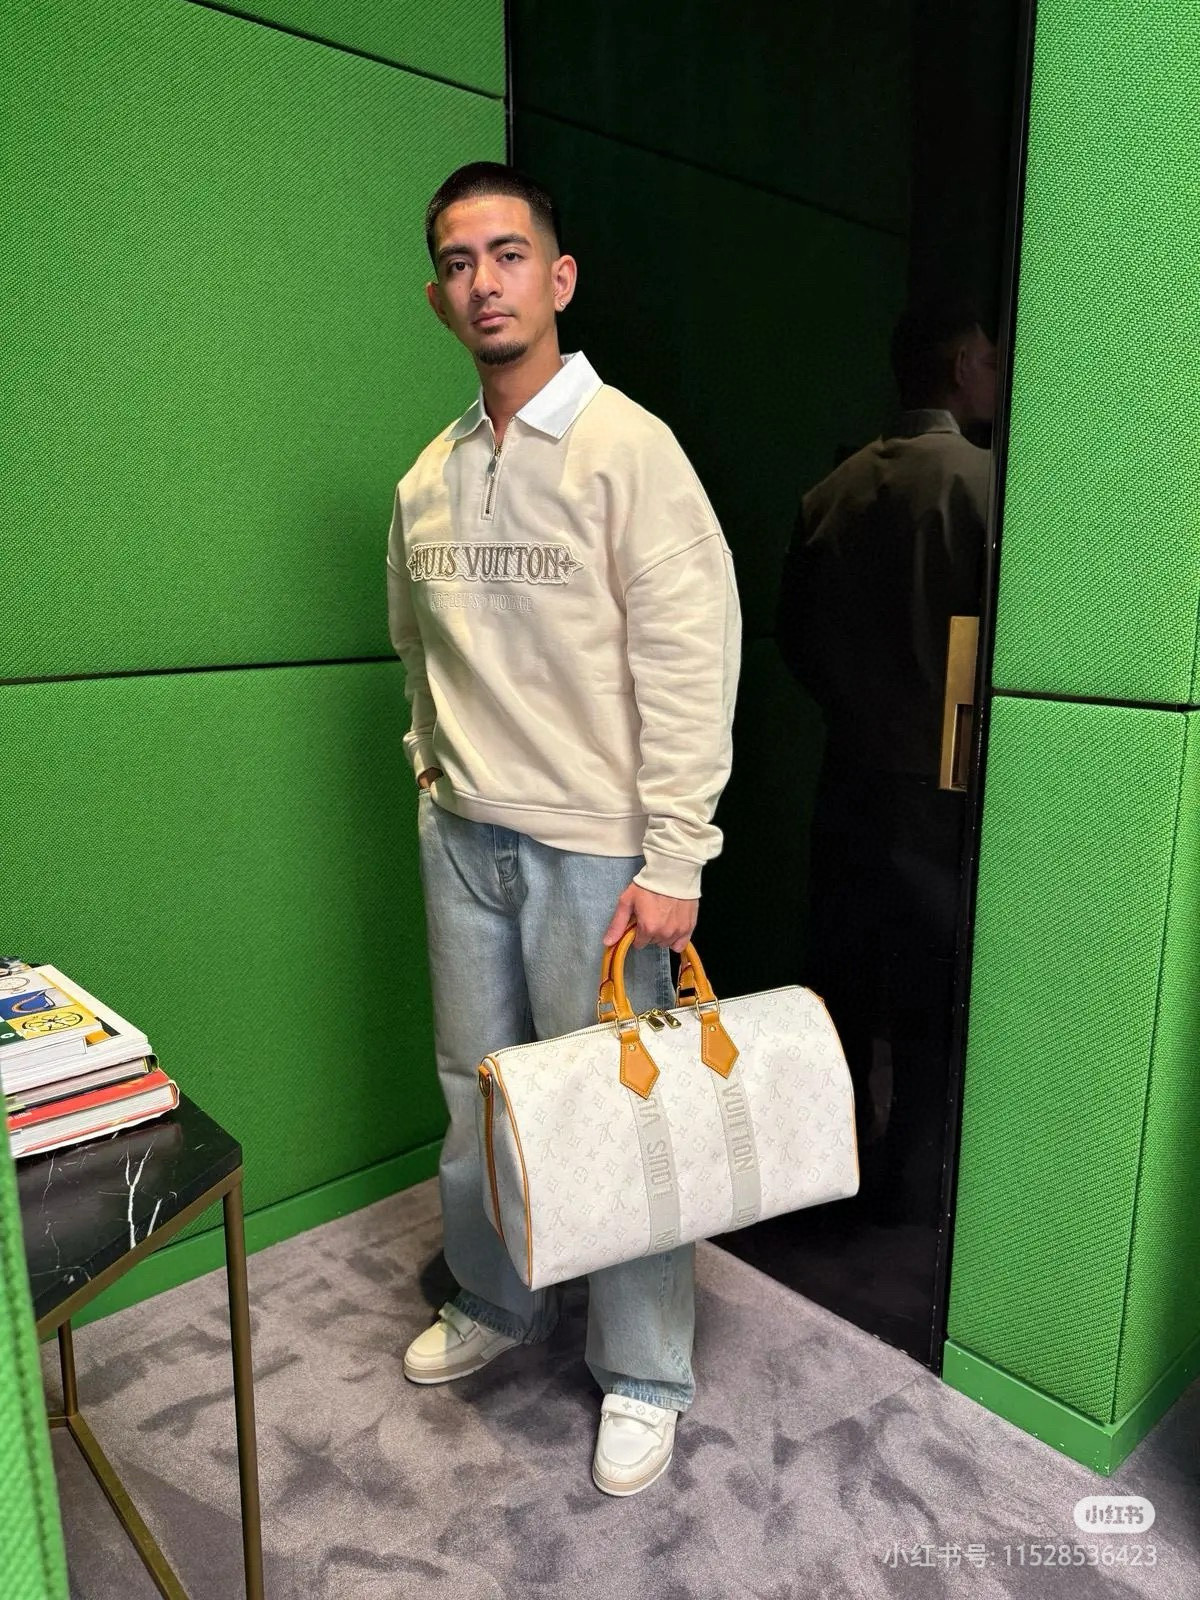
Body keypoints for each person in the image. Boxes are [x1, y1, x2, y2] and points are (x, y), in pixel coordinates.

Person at [386, 163, 741, 1496]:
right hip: (464, 838)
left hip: (598, 853)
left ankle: (644, 1368)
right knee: (476, 1095)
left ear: (558, 277)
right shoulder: (427, 477)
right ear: (439, 298)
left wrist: (676, 855)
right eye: (458, 262)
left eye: (508, 254)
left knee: (620, 1112)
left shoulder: (628, 449)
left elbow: (692, 660)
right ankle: (498, 1296)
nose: (484, 281)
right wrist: (430, 772)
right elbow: (415, 649)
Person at [776, 301, 995, 1226]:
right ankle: (911, 1190)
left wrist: (848, 706)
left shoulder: (830, 490)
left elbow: (793, 637)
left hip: (848, 769)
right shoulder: (986, 484)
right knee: (930, 997)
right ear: (960, 366)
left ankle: (833, 1174)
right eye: (988, 359)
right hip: (942, 779)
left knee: (840, 983)